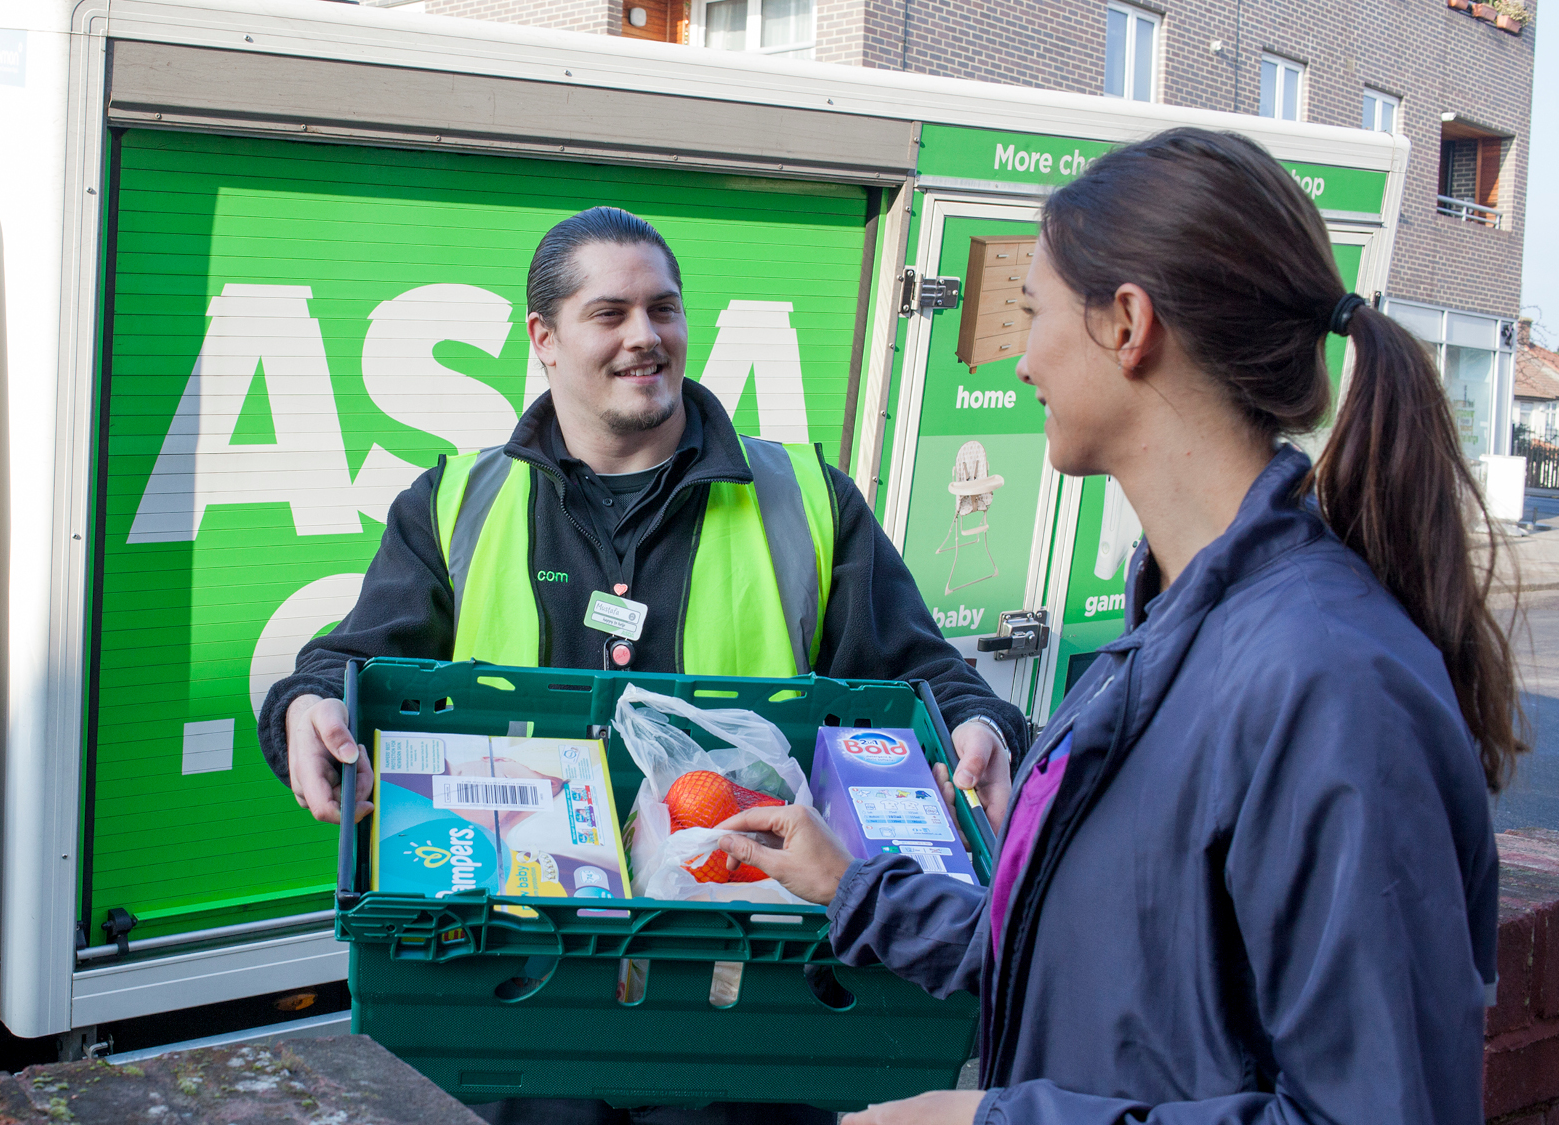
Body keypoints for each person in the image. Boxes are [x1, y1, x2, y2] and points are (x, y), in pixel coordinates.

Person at [719, 128, 1521, 1125]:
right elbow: (1098, 975)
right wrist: (853, 888)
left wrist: (987, 1122)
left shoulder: (1324, 681)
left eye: (1032, 313)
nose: (1019, 361)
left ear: (1126, 324)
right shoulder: (1164, 642)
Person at [257, 206, 1029, 1125]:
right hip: (522, 1014)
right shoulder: (455, 503)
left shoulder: (810, 502)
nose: (645, 337)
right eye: (610, 313)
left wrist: (982, 727)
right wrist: (303, 704)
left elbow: (930, 681)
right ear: (544, 337)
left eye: (664, 309)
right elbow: (348, 665)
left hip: (746, 1021)